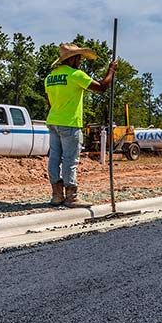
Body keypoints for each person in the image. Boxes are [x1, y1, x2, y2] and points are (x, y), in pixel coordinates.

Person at [45, 43, 117, 208]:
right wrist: (111, 70)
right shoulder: (75, 75)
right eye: (79, 58)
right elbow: (102, 87)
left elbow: (49, 102)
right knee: (70, 159)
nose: (81, 61)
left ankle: (57, 195)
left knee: (54, 158)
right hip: (70, 123)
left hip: (53, 121)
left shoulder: (50, 77)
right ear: (73, 58)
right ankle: (71, 196)